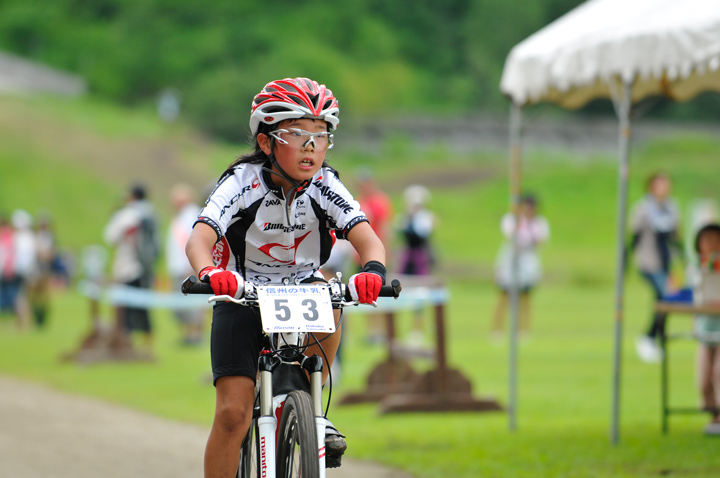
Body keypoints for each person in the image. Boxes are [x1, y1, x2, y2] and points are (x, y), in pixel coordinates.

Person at [185, 77, 386, 476]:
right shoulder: (241, 182)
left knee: (330, 293)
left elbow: (370, 241)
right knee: (232, 413)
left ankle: (313, 408)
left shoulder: (327, 185)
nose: (311, 147)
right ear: (266, 142)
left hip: (304, 288)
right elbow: (198, 239)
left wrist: (373, 272)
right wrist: (209, 272)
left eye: (321, 135)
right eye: (297, 135)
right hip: (243, 291)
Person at [630, 172, 682, 363]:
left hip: (666, 263)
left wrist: (681, 261)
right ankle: (650, 338)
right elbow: (634, 237)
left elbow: (675, 239)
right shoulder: (643, 208)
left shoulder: (672, 208)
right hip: (648, 263)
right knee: (665, 297)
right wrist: (627, 263)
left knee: (663, 300)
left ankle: (654, 340)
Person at [104, 184, 159, 350]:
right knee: (143, 305)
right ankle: (148, 339)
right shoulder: (152, 213)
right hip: (145, 265)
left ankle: (127, 340)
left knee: (125, 306)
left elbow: (110, 237)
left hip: (127, 265)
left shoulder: (126, 214)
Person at [491, 193, 550, 336]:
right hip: (511, 259)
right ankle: (497, 330)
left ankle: (523, 330)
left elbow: (540, 241)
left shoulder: (539, 223)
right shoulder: (512, 219)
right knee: (504, 295)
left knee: (526, 296)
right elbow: (509, 236)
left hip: (528, 262)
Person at [355, 170, 393, 344]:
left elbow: (385, 227)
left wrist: (387, 250)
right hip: (360, 256)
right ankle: (371, 331)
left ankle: (382, 330)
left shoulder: (379, 202)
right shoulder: (359, 201)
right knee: (363, 293)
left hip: (377, 256)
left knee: (380, 292)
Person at [690, 223, 720, 435]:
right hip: (705, 329)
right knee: (704, 377)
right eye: (706, 241)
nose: (711, 245)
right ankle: (713, 415)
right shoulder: (695, 269)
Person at [165, 183, 205, 345]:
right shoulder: (182, 216)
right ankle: (188, 334)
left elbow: (193, 242)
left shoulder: (191, 215)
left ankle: (194, 335)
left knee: (192, 304)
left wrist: (193, 265)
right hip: (179, 267)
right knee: (182, 304)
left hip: (186, 268)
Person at [397, 184, 436, 345]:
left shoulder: (425, 218)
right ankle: (401, 331)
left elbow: (421, 234)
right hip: (407, 257)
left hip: (419, 257)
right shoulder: (404, 218)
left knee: (421, 293)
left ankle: (418, 329)